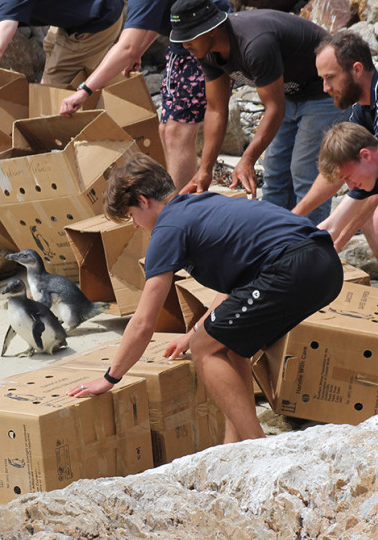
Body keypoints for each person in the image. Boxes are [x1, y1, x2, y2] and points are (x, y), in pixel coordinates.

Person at [67, 153, 343, 444]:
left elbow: (144, 322)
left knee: (206, 349)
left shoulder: (168, 227)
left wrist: (110, 378)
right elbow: (238, 286)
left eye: (131, 215)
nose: (135, 225)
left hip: (292, 266)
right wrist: (195, 330)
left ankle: (258, 447)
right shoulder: (201, 204)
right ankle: (233, 446)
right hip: (323, 264)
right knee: (228, 345)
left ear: (143, 200)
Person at [170, 0, 342, 224]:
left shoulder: (254, 44)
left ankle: (311, 243)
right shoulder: (207, 51)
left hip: (323, 88)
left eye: (189, 37)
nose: (185, 45)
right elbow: (216, 110)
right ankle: (273, 240)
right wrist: (205, 169)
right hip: (288, 91)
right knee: (275, 173)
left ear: (211, 30)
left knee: (304, 172)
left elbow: (274, 108)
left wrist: (248, 158)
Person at [59, 0, 231, 191]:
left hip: (206, 41)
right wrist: (138, 51)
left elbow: (126, 48)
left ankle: (178, 211)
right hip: (180, 46)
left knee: (178, 132)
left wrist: (84, 91)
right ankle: (177, 201)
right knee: (166, 130)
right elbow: (151, 21)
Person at [0, 0, 124, 115]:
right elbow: (1, 15)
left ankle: (116, 103)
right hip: (75, 11)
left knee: (50, 95)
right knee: (51, 50)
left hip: (98, 18)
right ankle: (106, 72)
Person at [292, 30, 378, 230]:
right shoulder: (361, 108)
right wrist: (296, 215)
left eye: (330, 77)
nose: (325, 88)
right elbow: (339, 166)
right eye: (322, 79)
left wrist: (333, 236)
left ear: (357, 69)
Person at [316, 122, 378, 256]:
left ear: (366, 156)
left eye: (349, 176)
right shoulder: (367, 173)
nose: (350, 186)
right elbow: (331, 227)